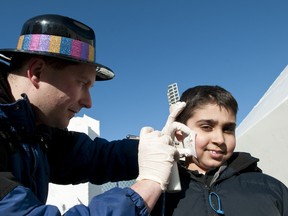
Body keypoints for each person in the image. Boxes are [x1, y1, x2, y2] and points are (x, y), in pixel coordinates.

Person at [0, 14, 194, 215]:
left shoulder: (36, 132)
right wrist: (147, 187)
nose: (88, 102)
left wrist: (156, 146)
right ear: (37, 72)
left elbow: (96, 157)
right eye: (82, 83)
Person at [151, 85, 288, 216]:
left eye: (228, 129)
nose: (220, 139)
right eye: (206, 127)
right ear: (179, 131)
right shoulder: (156, 195)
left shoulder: (271, 188)